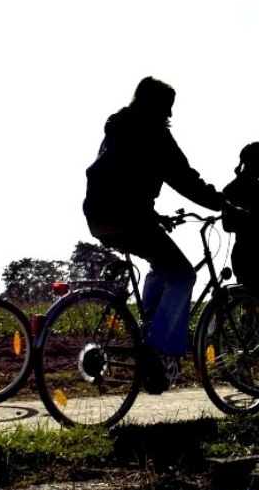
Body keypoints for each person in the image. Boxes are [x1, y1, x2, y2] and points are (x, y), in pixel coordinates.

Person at [83, 76, 227, 394]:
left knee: (159, 265)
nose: (170, 114)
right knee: (183, 274)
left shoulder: (118, 128)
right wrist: (220, 202)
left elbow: (121, 177)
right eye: (168, 107)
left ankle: (148, 328)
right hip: (129, 216)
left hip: (99, 215)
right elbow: (184, 177)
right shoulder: (153, 132)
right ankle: (154, 345)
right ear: (160, 106)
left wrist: (154, 215)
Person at [222, 142, 259, 291]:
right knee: (254, 300)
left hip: (255, 252)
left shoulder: (231, 189)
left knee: (254, 302)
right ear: (255, 162)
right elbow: (227, 225)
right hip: (251, 255)